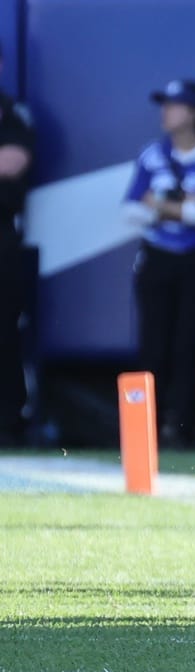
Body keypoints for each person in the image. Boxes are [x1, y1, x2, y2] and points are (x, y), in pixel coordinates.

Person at [123, 80, 195, 449]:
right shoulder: (152, 153)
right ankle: (143, 430)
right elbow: (131, 211)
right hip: (156, 259)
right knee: (152, 344)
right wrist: (182, 207)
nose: (166, 111)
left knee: (189, 345)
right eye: (164, 104)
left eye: (176, 105)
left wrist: (161, 205)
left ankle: (180, 429)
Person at [0, 41, 34, 448]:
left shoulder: (14, 113)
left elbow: (11, 162)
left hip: (2, 236)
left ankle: (8, 421)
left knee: (3, 331)